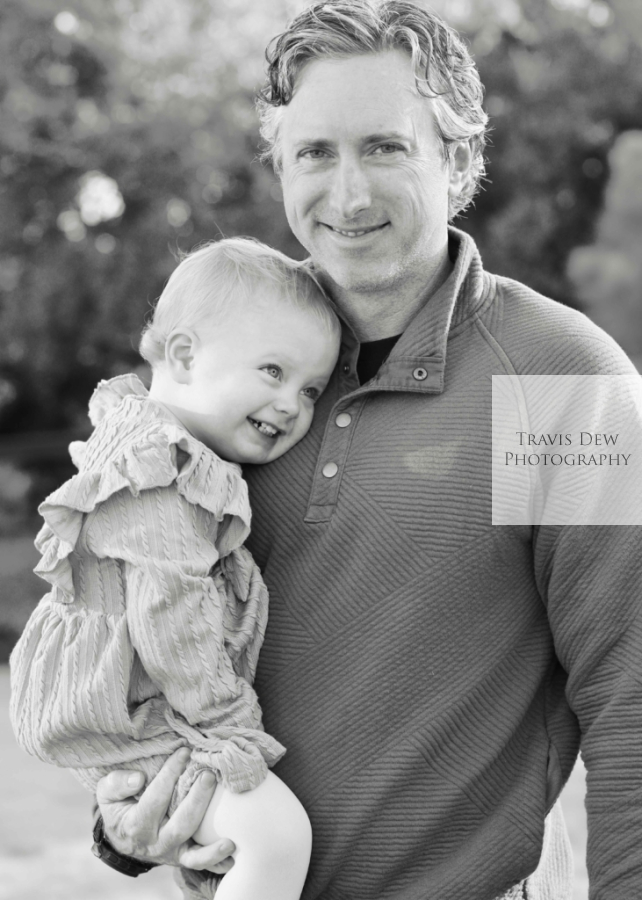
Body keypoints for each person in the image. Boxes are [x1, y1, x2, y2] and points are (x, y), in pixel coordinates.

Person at [93, 2, 642, 898]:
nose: (347, 196)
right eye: (315, 153)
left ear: (457, 158)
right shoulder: (227, 369)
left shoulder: (565, 381)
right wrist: (123, 821)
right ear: (280, 167)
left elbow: (632, 700)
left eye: (385, 147)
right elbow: (129, 626)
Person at [9, 237, 341, 900]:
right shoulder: (165, 472)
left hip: (134, 702)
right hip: (142, 709)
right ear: (186, 356)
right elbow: (172, 616)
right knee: (274, 839)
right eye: (272, 372)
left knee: (245, 844)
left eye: (311, 390)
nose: (292, 406)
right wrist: (231, 728)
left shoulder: (157, 442)